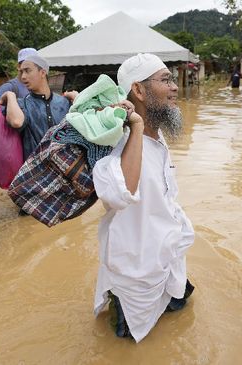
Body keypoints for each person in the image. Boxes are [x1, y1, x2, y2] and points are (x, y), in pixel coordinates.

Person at [92, 53, 195, 342]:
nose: (175, 87)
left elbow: (167, 197)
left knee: (182, 317)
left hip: (168, 257)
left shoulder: (157, 137)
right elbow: (121, 193)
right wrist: (135, 125)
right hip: (134, 273)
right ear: (138, 90)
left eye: (172, 79)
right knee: (127, 348)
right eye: (165, 80)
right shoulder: (118, 141)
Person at [0, 54, 71, 161]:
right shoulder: (22, 104)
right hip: (36, 172)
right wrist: (11, 95)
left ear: (42, 72)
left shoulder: (64, 102)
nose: (23, 76)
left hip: (65, 167)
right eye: (22, 72)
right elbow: (16, 122)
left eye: (27, 71)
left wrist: (78, 99)